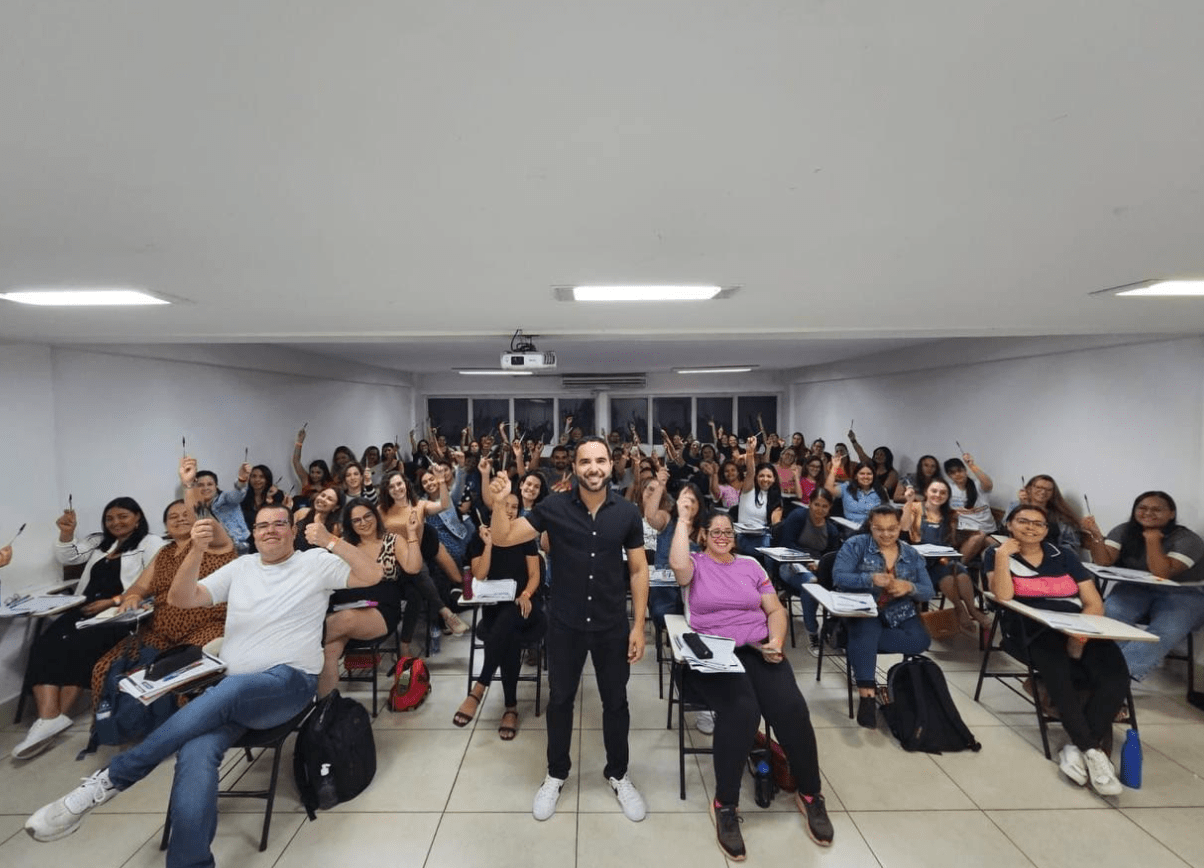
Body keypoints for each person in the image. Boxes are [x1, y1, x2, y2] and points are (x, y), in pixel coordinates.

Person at [25, 503, 385, 864]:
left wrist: (329, 541)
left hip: (287, 684)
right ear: (254, 534)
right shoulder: (242, 567)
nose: (271, 530)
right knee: (195, 752)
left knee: (232, 689)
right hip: (231, 692)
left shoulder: (314, 563)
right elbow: (182, 599)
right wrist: (196, 550)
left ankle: (112, 778)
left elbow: (372, 574)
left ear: (293, 530)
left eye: (280, 524)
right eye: (262, 525)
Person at [487, 436, 649, 823]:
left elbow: (638, 569)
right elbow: (504, 537)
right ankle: (556, 773)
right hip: (565, 624)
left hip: (611, 625)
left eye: (600, 461)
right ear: (574, 467)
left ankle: (619, 774)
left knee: (616, 703)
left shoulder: (627, 513)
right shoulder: (553, 507)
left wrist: (639, 625)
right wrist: (499, 502)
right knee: (560, 701)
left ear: (610, 465)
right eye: (585, 461)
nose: (593, 468)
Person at [668, 503, 833, 857]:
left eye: (728, 532)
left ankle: (810, 794)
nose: (722, 537)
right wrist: (682, 519)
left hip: (758, 649)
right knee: (742, 712)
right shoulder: (694, 564)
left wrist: (776, 641)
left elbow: (774, 610)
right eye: (715, 532)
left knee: (791, 708)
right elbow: (677, 565)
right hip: (716, 654)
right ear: (703, 536)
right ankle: (725, 804)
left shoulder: (751, 565)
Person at [987, 504, 1128, 795]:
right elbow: (1003, 595)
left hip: (1077, 626)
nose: (1031, 527)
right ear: (1009, 524)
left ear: (1046, 529)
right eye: (1023, 521)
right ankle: (1092, 749)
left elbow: (1093, 602)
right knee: (1059, 673)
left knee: (1115, 674)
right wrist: (1002, 557)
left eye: (1038, 523)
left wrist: (1080, 635)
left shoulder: (1062, 555)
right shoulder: (995, 553)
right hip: (1030, 629)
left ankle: (1078, 748)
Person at [13, 497, 166, 760]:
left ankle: (53, 720)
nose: (115, 523)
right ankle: (50, 718)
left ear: (137, 518)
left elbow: (156, 580)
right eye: (110, 518)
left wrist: (114, 601)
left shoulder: (150, 542)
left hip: (119, 614)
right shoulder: (99, 541)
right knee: (46, 642)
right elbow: (68, 555)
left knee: (81, 644)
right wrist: (67, 532)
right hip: (84, 607)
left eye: (123, 516)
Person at [90, 500, 237, 707]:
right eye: (173, 517)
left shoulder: (213, 545)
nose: (180, 519)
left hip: (206, 627)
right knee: (105, 666)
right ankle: (115, 722)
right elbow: (139, 587)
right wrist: (132, 597)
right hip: (158, 632)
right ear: (166, 525)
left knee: (172, 673)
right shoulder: (163, 553)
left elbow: (207, 521)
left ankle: (175, 722)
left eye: (186, 514)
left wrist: (190, 489)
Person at [1086, 491, 1204, 682]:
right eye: (1142, 508)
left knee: (1165, 631)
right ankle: (1102, 672)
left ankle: (1111, 678)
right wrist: (1096, 536)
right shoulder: (1124, 530)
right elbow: (1103, 561)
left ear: (1171, 514)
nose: (1148, 513)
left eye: (1157, 509)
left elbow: (1161, 574)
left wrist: (1152, 540)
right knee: (1111, 616)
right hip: (1135, 587)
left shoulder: (1188, 539)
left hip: (1183, 593)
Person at [833, 506, 933, 728]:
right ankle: (867, 695)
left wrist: (909, 587)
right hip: (863, 607)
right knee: (867, 627)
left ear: (900, 527)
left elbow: (928, 591)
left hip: (898, 610)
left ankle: (852, 641)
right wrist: (870, 579)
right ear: (870, 526)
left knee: (920, 641)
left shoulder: (911, 554)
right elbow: (839, 577)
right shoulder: (855, 545)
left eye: (892, 529)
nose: (886, 534)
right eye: (879, 529)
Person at [455, 494, 545, 739]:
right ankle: (510, 708)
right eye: (506, 506)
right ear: (494, 509)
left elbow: (534, 575)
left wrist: (526, 594)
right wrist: (489, 545)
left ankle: (479, 688)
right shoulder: (480, 537)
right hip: (496, 608)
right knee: (508, 633)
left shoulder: (524, 536)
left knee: (508, 622)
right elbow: (479, 575)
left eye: (515, 507)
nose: (510, 511)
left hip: (526, 606)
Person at [318, 498, 423, 696]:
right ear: (350, 524)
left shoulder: (392, 540)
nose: (363, 523)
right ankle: (324, 707)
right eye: (356, 520)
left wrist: (411, 533)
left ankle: (296, 643)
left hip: (381, 611)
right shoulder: (345, 545)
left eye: (367, 516)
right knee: (329, 654)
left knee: (345, 619)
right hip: (344, 608)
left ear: (376, 516)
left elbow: (414, 567)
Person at [902, 479, 991, 634]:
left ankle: (968, 609)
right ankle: (965, 610)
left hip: (942, 560)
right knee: (948, 572)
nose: (938, 495)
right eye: (934, 491)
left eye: (943, 492)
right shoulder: (915, 507)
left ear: (947, 496)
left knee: (958, 573)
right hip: (920, 563)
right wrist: (908, 502)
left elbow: (951, 541)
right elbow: (904, 527)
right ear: (926, 492)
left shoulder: (950, 514)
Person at [776, 488, 842, 650]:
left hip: (817, 569)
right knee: (810, 584)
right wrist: (807, 560)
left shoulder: (831, 529)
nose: (820, 509)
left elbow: (832, 556)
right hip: (790, 563)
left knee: (813, 586)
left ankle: (833, 630)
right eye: (816, 504)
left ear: (830, 508)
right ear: (810, 504)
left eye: (824, 506)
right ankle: (813, 632)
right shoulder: (798, 517)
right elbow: (787, 544)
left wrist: (820, 565)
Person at [181, 458, 253, 552]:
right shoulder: (198, 507)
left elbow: (237, 495)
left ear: (216, 486)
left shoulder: (225, 498)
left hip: (238, 546)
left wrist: (242, 479)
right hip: (216, 548)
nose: (206, 488)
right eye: (201, 485)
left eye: (210, 484)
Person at [944, 454, 995, 560]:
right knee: (978, 537)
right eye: (952, 472)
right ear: (949, 476)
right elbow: (951, 516)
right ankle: (959, 566)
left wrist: (972, 465)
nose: (957, 474)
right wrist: (953, 536)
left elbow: (988, 484)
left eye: (960, 470)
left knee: (991, 542)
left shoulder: (977, 485)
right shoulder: (949, 489)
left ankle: (959, 563)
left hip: (988, 530)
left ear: (965, 471)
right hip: (964, 530)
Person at [825, 461, 889, 529]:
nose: (865, 477)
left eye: (869, 474)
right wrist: (835, 467)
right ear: (856, 476)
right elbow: (828, 489)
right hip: (850, 528)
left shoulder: (880, 491)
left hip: (873, 528)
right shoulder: (847, 488)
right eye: (862, 474)